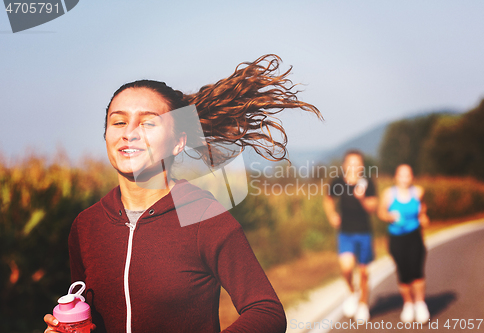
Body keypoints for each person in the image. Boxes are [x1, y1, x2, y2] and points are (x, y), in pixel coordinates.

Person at [43, 55, 321, 333]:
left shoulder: (202, 215)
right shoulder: (87, 225)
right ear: (106, 135)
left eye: (148, 123)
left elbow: (266, 311)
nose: (130, 133)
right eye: (118, 122)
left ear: (178, 142)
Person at [323, 150, 377, 322]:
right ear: (345, 165)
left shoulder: (367, 182)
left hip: (364, 233)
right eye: (351, 163)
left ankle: (363, 304)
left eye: (358, 163)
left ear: (362, 166)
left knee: (363, 273)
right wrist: (332, 215)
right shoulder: (338, 182)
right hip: (345, 233)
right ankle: (352, 293)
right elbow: (328, 198)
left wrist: (361, 198)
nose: (354, 167)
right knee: (346, 268)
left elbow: (373, 207)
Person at [377, 164, 430, 323]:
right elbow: (381, 212)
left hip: (414, 236)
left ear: (412, 177)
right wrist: (389, 217)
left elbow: (423, 208)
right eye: (401, 175)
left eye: (408, 175)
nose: (405, 179)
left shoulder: (418, 192)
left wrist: (423, 216)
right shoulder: (389, 194)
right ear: (396, 177)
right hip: (396, 238)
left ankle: (420, 303)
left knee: (416, 270)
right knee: (403, 272)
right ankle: (408, 303)